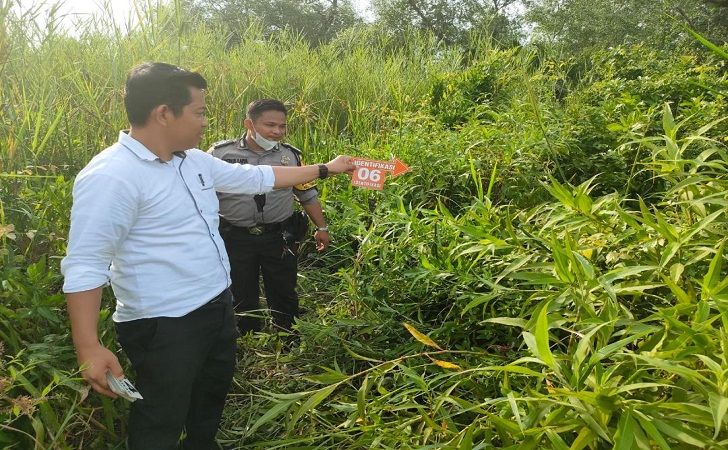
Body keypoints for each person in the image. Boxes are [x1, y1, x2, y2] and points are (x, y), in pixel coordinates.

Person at [61, 62, 355, 450]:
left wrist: (325, 169)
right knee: (161, 414)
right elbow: (85, 264)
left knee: (210, 398)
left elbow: (257, 179)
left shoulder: (192, 161)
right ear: (164, 113)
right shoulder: (112, 176)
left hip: (216, 305)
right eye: (199, 112)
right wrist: (88, 346)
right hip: (164, 323)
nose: (205, 122)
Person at [209, 99, 329, 334]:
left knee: (283, 288)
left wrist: (322, 228)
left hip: (279, 235)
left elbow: (307, 194)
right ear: (249, 124)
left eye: (282, 126)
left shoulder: (291, 156)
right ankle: (247, 335)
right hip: (235, 236)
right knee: (241, 290)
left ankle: (287, 334)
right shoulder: (220, 154)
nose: (277, 132)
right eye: (270, 125)